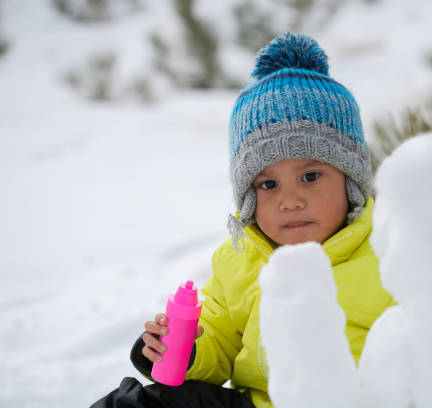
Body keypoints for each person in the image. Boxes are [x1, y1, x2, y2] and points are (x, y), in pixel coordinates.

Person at [91, 32, 394, 408]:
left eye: (311, 177)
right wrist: (184, 352)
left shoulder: (390, 251)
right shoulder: (241, 259)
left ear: (350, 180)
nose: (290, 201)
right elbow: (220, 340)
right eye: (268, 184)